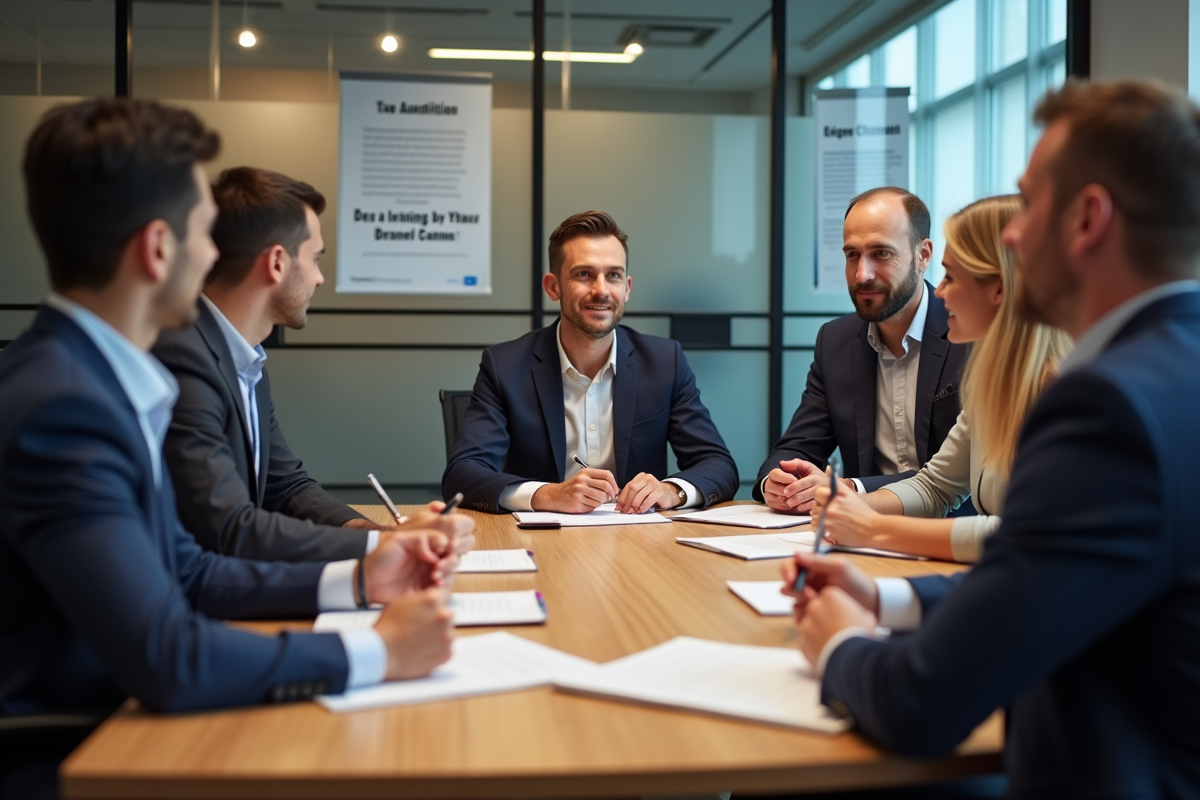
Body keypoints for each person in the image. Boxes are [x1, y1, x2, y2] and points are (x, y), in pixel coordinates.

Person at [784, 79, 1200, 798]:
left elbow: (922, 706)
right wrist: (887, 600)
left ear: (1088, 219)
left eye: (1029, 202)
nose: (1010, 233)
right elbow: (1047, 575)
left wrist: (842, 643)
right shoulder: (1166, 370)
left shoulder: (1108, 407)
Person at [0, 98, 469, 732]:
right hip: (77, 749)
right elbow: (165, 656)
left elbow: (187, 570)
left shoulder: (95, 381)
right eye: (203, 230)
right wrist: (378, 649)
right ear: (158, 250)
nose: (214, 253)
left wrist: (363, 575)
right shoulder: (65, 408)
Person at [153, 167, 468, 562]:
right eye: (315, 259)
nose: (319, 278)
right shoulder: (184, 357)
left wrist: (374, 534)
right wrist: (380, 548)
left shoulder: (243, 358)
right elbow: (229, 528)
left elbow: (285, 487)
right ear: (277, 263)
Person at [811, 195, 1072, 562]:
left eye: (950, 276)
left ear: (999, 287)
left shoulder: (1066, 393)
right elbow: (935, 486)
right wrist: (853, 506)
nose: (941, 291)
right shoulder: (994, 381)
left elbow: (1023, 532)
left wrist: (872, 528)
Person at [443, 210, 739, 514]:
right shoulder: (505, 366)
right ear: (553, 286)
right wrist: (547, 495)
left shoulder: (665, 362)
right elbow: (463, 474)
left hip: (640, 544)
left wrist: (670, 490)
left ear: (627, 288)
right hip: (542, 540)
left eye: (613, 275)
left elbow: (718, 465)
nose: (601, 290)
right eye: (584, 274)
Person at [754, 188, 970, 515]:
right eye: (852, 255)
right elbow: (798, 446)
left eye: (881, 253)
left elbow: (957, 480)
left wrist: (852, 488)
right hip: (860, 537)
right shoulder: (836, 341)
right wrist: (780, 480)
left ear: (923, 255)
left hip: (950, 532)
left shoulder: (970, 332)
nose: (861, 275)